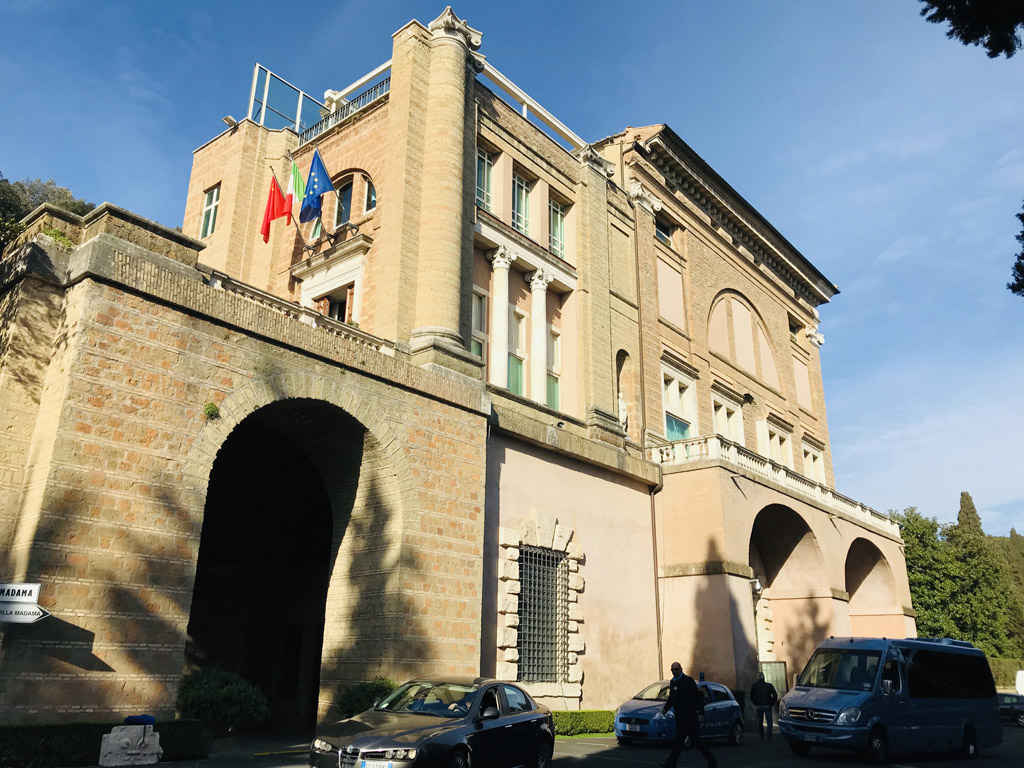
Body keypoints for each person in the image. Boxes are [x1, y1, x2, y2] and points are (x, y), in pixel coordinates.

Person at [657, 661, 718, 768]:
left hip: (689, 718)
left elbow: (697, 698)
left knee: (683, 742)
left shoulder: (688, 681)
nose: (674, 671)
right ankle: (711, 761)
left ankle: (671, 764)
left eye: (676, 669)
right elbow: (671, 698)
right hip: (680, 718)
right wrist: (665, 709)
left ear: (681, 669)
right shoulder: (673, 682)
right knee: (688, 742)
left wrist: (701, 713)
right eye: (672, 670)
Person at [749, 671, 778, 741]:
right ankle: (769, 735)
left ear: (757, 677)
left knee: (760, 721)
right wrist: (772, 702)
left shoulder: (754, 686)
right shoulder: (769, 685)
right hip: (767, 705)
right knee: (769, 721)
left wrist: (755, 703)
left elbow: (751, 696)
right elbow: (775, 695)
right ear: (763, 677)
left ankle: (761, 735)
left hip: (758, 705)